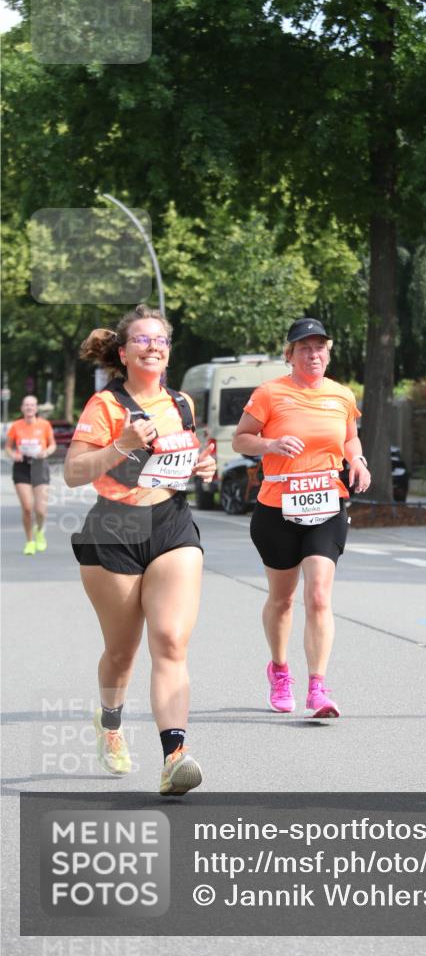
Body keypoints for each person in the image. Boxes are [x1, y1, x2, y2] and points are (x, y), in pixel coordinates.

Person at [64, 304, 216, 795]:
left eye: (162, 340)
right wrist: (122, 444)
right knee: (123, 651)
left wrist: (201, 469)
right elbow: (73, 473)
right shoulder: (105, 407)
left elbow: (179, 459)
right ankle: (110, 723)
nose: (154, 347)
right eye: (143, 340)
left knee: (171, 640)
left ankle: (175, 755)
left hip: (171, 523)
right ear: (125, 353)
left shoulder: (183, 403)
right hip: (114, 529)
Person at [232, 317, 371, 719]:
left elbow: (349, 437)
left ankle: (318, 686)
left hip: (327, 502)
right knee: (283, 599)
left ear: (328, 353)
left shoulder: (342, 395)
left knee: (319, 595)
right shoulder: (269, 393)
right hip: (277, 506)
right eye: (305, 348)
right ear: (289, 355)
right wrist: (271, 442)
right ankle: (279, 669)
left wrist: (357, 460)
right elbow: (241, 437)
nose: (314, 354)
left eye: (320, 347)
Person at [5, 395, 56, 554]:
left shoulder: (45, 425)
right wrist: (13, 455)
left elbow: (52, 444)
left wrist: (46, 452)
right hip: (22, 467)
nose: (29, 408)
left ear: (36, 408)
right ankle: (29, 542)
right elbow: (8, 447)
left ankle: (39, 531)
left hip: (39, 466)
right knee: (27, 508)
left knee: (40, 510)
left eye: (32, 405)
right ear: (22, 408)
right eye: (26, 405)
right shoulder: (16, 426)